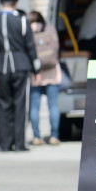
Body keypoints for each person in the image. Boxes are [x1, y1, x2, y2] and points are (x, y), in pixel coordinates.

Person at [0, 0, 40, 152]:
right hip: (21, 65)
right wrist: (37, 70)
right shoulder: (22, 21)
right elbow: (30, 47)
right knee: (20, 104)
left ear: (2, 2)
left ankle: (5, 143)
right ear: (15, 2)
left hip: (0, 67)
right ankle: (19, 143)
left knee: (3, 105)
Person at [27, 11, 62, 145]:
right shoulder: (50, 29)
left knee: (34, 107)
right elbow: (57, 49)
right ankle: (54, 136)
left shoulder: (28, 30)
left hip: (36, 74)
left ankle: (36, 137)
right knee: (53, 105)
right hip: (52, 72)